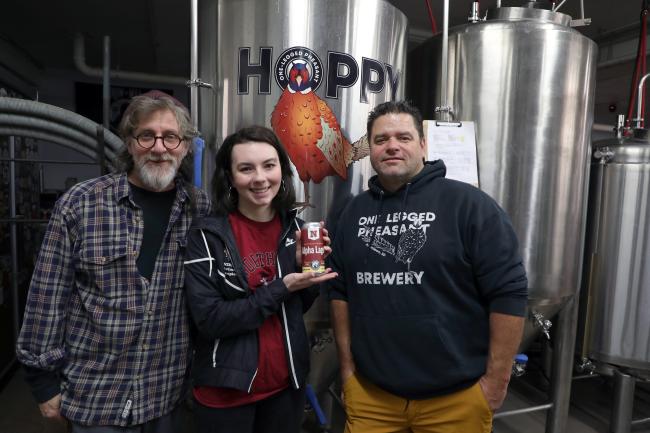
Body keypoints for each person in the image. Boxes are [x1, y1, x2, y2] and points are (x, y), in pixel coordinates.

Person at [327, 100, 528, 433]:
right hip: (372, 397)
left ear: (423, 144)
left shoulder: (470, 206)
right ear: (371, 150)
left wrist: (496, 381)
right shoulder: (353, 212)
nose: (392, 146)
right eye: (381, 139)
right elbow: (339, 290)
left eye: (404, 137)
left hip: (456, 400)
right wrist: (347, 371)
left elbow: (508, 292)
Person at [16, 90, 211, 432]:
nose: (159, 147)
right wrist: (43, 384)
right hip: (95, 396)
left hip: (166, 395)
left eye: (170, 137)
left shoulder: (199, 209)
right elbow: (47, 297)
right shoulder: (81, 203)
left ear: (184, 146)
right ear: (129, 142)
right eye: (147, 135)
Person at [183, 125, 337, 433]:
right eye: (246, 168)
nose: (260, 178)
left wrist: (305, 277)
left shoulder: (295, 228)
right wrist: (282, 286)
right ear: (229, 176)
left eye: (269, 165)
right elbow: (210, 319)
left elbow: (294, 311)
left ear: (282, 168)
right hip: (226, 393)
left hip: (284, 389)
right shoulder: (208, 234)